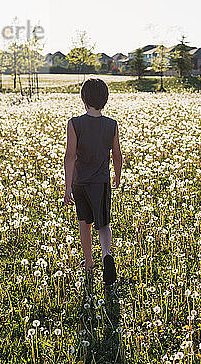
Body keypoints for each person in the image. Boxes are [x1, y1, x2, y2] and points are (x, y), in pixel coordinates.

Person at [63, 78, 122, 285]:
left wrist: (68, 186)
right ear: (105, 100)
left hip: (80, 183)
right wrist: (117, 174)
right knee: (103, 224)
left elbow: (70, 156)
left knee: (84, 223)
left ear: (83, 99)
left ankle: (89, 263)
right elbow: (117, 154)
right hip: (101, 183)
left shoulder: (74, 124)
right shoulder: (111, 125)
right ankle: (106, 254)